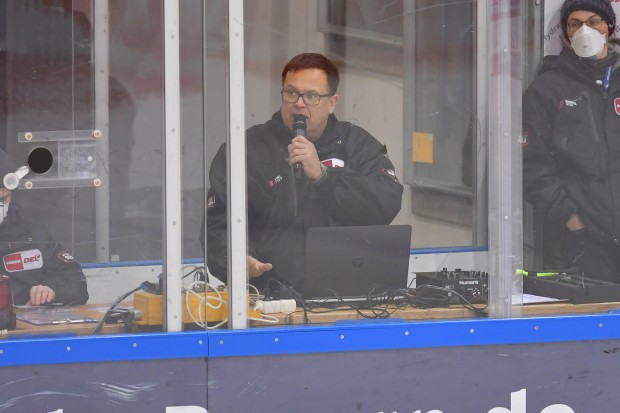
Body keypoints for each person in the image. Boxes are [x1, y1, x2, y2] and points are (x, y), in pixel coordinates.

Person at [202, 52, 403, 293]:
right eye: (291, 93)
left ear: (332, 103)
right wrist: (236, 260)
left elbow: (385, 203)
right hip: (267, 297)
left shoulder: (358, 145)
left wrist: (324, 177)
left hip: (347, 296)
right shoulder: (246, 149)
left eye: (311, 96)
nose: (299, 103)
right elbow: (218, 224)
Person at [522, 0, 620, 282]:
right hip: (581, 241)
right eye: (574, 24)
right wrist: (570, 218)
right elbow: (530, 163)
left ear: (608, 27)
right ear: (565, 32)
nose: (584, 30)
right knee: (590, 321)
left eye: (593, 22)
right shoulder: (547, 88)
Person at [0, 149, 89, 305]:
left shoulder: (31, 232)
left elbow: (76, 282)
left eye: (4, 198)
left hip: (22, 326)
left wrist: (50, 291)